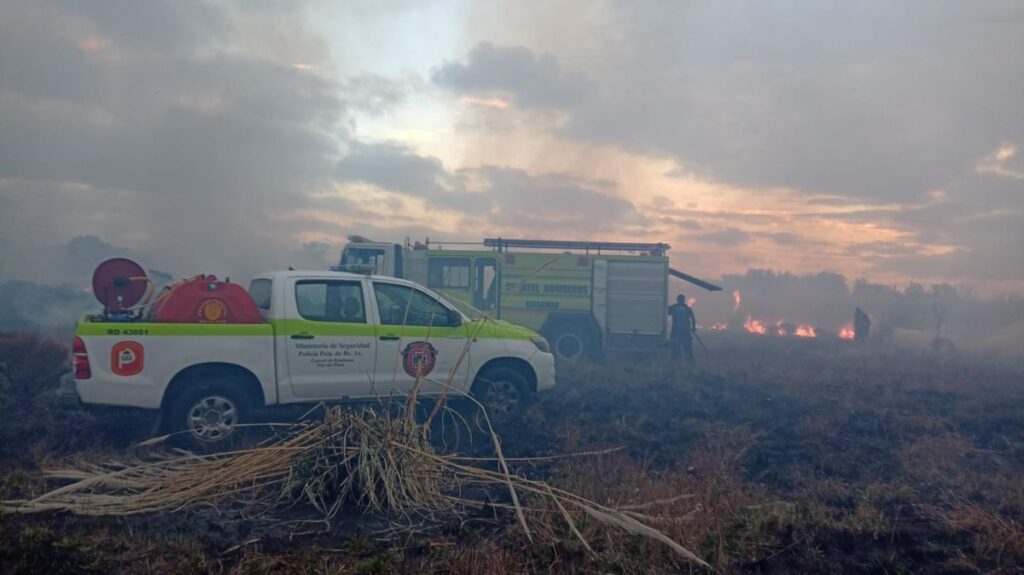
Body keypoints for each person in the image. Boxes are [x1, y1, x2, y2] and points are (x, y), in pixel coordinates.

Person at [667, 294, 696, 362]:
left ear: (677, 300)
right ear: (683, 300)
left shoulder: (673, 307)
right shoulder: (687, 308)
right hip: (686, 331)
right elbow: (692, 318)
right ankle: (689, 361)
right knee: (688, 348)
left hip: (675, 331)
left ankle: (675, 360)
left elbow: (665, 312)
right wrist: (693, 327)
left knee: (675, 347)